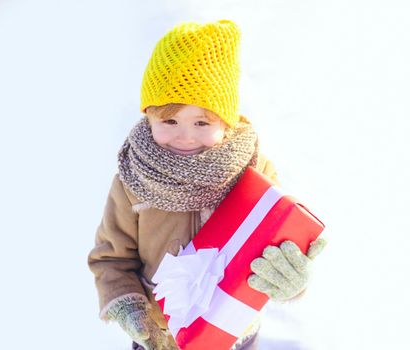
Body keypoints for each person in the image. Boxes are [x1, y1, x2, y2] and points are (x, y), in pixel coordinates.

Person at [88, 19, 326, 350]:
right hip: (160, 338)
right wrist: (130, 309)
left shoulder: (252, 173)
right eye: (169, 120)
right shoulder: (134, 180)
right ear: (149, 116)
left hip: (233, 332)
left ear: (226, 122)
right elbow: (111, 259)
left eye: (202, 122)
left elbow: (277, 246)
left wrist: (291, 280)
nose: (185, 136)